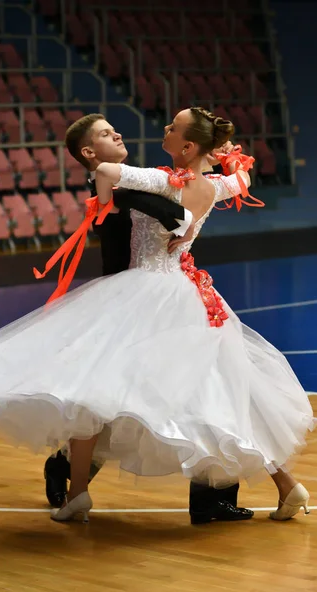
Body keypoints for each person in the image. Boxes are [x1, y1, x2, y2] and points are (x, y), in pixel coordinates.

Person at [0, 107, 317, 526]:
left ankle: (78, 491)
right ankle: (286, 484)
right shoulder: (212, 187)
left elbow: (107, 172)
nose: (163, 129)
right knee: (211, 391)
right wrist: (222, 160)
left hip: (142, 292)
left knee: (92, 386)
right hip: (187, 292)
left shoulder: (160, 180)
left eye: (172, 128)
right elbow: (242, 181)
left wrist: (103, 202)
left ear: (188, 145)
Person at [45, 113, 252, 523]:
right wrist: (185, 209)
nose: (118, 133)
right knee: (110, 398)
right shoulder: (121, 182)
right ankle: (67, 471)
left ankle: (211, 495)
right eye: (106, 133)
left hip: (167, 293)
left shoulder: (149, 176)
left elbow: (183, 193)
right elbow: (147, 200)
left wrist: (212, 170)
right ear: (88, 151)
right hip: (128, 298)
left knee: (198, 383)